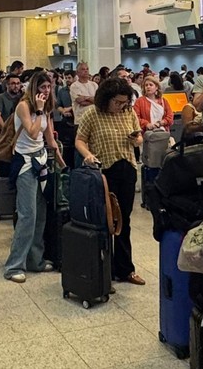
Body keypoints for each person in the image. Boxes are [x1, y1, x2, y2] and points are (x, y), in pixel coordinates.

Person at [75, 77, 145, 286]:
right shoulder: (92, 114)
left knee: (124, 221)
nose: (121, 106)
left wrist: (137, 140)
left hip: (127, 169)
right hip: (104, 171)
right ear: (106, 99)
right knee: (105, 222)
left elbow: (139, 137)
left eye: (124, 102)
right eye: (117, 102)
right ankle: (103, 271)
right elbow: (80, 139)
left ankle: (125, 269)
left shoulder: (128, 113)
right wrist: (87, 155)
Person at [4, 71, 64, 283]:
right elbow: (31, 131)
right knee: (27, 215)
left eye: (48, 87)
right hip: (25, 164)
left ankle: (35, 260)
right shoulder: (24, 106)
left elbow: (47, 134)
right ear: (34, 89)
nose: (46, 91)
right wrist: (38, 111)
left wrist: (57, 155)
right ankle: (14, 266)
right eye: (42, 88)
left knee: (40, 212)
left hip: (41, 161)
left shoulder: (46, 108)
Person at [54, 70, 77, 170]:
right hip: (66, 121)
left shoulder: (77, 89)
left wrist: (70, 108)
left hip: (77, 120)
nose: (67, 80)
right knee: (66, 148)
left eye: (69, 78)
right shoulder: (62, 91)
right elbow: (58, 105)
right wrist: (63, 111)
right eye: (66, 78)